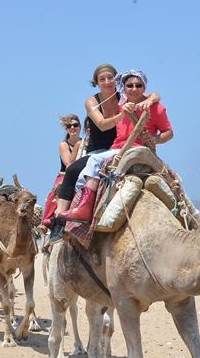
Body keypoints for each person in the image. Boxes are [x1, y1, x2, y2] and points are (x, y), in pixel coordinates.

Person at [46, 64, 161, 240]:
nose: (107, 82)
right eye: (103, 79)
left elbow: (153, 95)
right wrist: (124, 114)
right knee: (72, 171)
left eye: (111, 78)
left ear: (117, 80)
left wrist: (150, 100)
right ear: (97, 83)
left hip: (124, 148)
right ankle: (59, 222)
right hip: (98, 151)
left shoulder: (123, 96)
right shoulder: (92, 101)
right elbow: (102, 124)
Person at [41, 114, 83, 229]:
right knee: (56, 190)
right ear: (67, 129)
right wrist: (78, 147)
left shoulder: (85, 142)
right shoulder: (64, 145)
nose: (73, 128)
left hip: (83, 173)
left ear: (80, 127)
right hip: (65, 175)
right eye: (69, 126)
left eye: (75, 125)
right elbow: (69, 164)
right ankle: (47, 220)